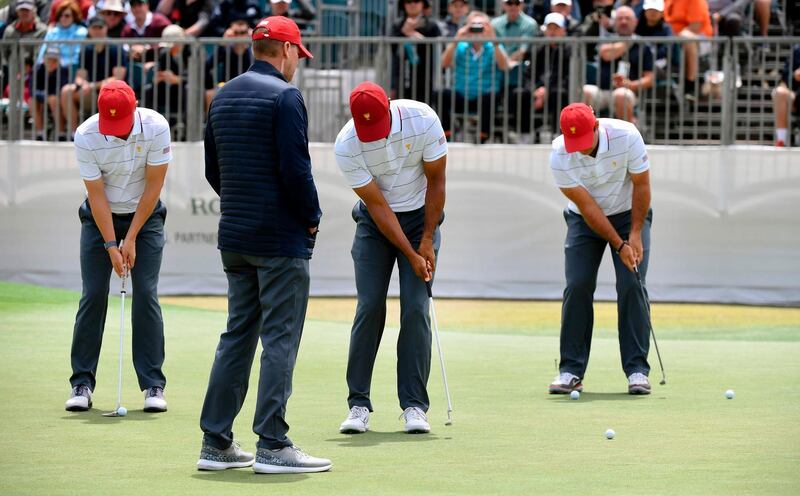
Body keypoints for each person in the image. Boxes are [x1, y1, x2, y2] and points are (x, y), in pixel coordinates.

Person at [198, 16, 330, 474]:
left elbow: (213, 170)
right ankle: (273, 444)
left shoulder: (222, 94)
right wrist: (312, 218)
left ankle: (215, 443)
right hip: (279, 239)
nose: (298, 64)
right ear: (288, 50)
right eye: (299, 55)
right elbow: (297, 170)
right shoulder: (286, 96)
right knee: (279, 339)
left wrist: (242, 204)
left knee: (237, 335)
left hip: (234, 235)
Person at [334, 82, 447, 435]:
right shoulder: (347, 145)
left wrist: (426, 240)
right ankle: (358, 404)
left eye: (378, 127)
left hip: (420, 219)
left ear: (390, 108)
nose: (374, 137)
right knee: (369, 306)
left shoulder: (422, 119)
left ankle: (414, 405)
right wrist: (409, 253)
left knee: (415, 308)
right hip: (375, 224)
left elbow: (437, 180)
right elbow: (379, 206)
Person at [65, 80, 171, 413]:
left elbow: (153, 188)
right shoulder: (86, 135)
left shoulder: (156, 126)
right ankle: (81, 382)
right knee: (93, 293)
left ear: (135, 106)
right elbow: (96, 196)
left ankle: (153, 385)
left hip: (146, 217)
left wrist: (132, 236)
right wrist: (112, 244)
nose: (119, 134)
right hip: (100, 220)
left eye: (123, 125)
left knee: (145, 292)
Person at [548, 103, 653, 396]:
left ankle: (637, 370)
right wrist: (618, 244)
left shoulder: (627, 135)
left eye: (583, 140)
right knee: (578, 284)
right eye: (574, 143)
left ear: (596, 127)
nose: (579, 150)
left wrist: (634, 234)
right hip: (585, 220)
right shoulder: (559, 153)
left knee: (632, 282)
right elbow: (587, 206)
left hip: (630, 213)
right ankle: (570, 370)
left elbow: (642, 184)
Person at [437, 10, 510, 142]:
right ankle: (447, 133)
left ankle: (483, 136)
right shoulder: (460, 46)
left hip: (485, 97)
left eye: (480, 26)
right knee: (440, 93)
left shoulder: (495, 46)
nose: (477, 29)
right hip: (461, 96)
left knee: (491, 96)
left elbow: (504, 66)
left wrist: (494, 39)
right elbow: (444, 63)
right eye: (473, 25)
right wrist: (456, 40)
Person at [583, 6, 653, 123]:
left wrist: (630, 84)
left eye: (627, 18)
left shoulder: (643, 45)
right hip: (602, 91)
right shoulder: (606, 39)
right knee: (585, 91)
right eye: (620, 18)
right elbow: (605, 54)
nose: (623, 22)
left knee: (621, 95)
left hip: (628, 92)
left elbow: (650, 78)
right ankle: (587, 135)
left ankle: (628, 138)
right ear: (614, 22)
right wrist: (628, 42)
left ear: (635, 22)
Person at [60, 16, 127, 135]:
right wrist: (82, 83)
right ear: (89, 30)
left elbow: (118, 78)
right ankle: (75, 134)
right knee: (66, 91)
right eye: (94, 28)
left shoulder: (115, 47)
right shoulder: (86, 48)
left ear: (106, 29)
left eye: (100, 27)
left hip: (111, 94)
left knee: (106, 86)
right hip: (91, 93)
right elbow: (80, 76)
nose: (97, 31)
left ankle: (110, 133)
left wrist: (91, 85)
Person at [390, 0, 441, 104]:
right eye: (408, 1)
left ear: (423, 4)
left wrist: (414, 35)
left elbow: (436, 47)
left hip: (425, 75)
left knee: (424, 108)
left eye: (417, 1)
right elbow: (392, 46)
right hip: (402, 74)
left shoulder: (431, 25)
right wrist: (403, 32)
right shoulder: (398, 24)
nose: (412, 4)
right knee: (402, 108)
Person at [528, 13, 572, 132]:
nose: (552, 32)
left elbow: (566, 76)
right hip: (539, 90)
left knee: (559, 93)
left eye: (556, 28)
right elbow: (529, 74)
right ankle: (526, 133)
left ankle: (558, 133)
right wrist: (535, 90)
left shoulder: (569, 49)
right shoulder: (538, 49)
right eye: (549, 28)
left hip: (557, 88)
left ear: (563, 30)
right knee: (521, 93)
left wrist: (546, 90)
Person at [663, 0, 712, 99]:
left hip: (699, 39)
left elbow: (695, 27)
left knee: (686, 37)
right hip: (672, 38)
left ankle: (690, 83)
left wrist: (675, 37)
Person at [204, 18, 253, 111]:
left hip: (248, 88)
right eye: (235, 33)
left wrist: (254, 40)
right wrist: (223, 42)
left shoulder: (252, 52)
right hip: (226, 87)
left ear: (248, 34)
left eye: (242, 33)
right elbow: (207, 65)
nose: (239, 36)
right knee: (210, 93)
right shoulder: (224, 50)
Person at [30, 46, 70, 139]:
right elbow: (32, 91)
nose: (51, 63)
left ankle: (61, 134)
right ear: (44, 59)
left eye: (54, 60)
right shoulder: (37, 69)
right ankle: (41, 133)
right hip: (43, 97)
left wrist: (47, 96)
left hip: (58, 99)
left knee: (53, 100)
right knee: (32, 101)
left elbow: (60, 90)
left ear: (59, 61)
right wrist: (45, 96)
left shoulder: (63, 70)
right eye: (49, 59)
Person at [37, 0, 87, 68]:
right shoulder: (52, 32)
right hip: (52, 68)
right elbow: (42, 54)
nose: (63, 18)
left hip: (72, 68)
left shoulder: (81, 32)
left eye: (67, 16)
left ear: (74, 16)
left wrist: (61, 63)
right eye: (61, 15)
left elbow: (77, 57)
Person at [772, 45, 800, 147]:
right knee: (779, 92)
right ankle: (781, 141)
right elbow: (785, 75)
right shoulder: (797, 50)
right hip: (797, 94)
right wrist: (794, 76)